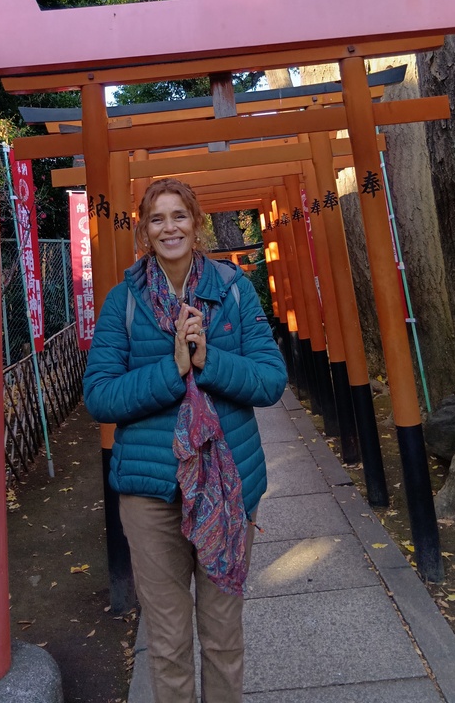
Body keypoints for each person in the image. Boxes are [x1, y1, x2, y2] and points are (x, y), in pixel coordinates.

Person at [83, 177, 287, 703]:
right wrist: (172, 370)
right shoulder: (123, 302)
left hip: (227, 489)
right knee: (168, 640)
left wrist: (208, 361)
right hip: (151, 494)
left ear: (197, 224)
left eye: (179, 216)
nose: (169, 227)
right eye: (157, 218)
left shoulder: (234, 291)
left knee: (222, 635)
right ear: (144, 231)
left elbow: (270, 380)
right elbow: (100, 396)